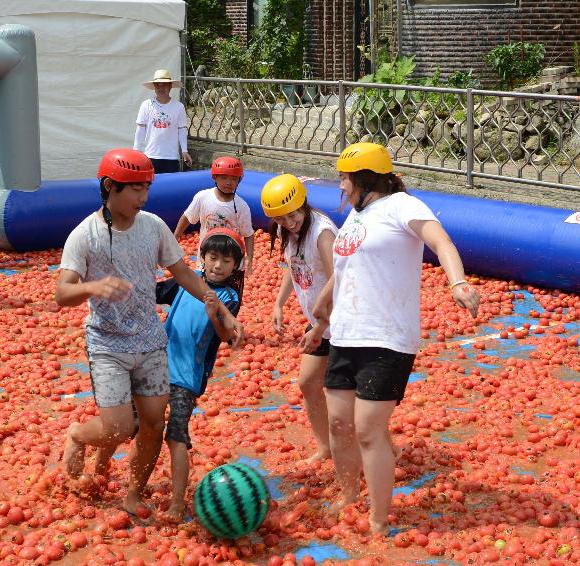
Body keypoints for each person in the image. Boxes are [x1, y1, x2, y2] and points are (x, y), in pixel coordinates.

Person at [55, 148, 243, 515]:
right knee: (119, 427)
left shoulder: (154, 227)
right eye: (135, 189)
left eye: (146, 188)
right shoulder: (85, 235)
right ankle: (78, 435)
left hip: (151, 342)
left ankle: (133, 494)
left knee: (154, 425)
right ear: (110, 187)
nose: (143, 197)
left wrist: (221, 309)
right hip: (107, 344)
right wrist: (92, 288)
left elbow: (185, 274)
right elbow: (62, 293)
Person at [313, 143, 480, 534]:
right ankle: (349, 494)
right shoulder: (356, 217)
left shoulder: (403, 205)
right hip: (345, 334)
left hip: (386, 337)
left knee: (369, 430)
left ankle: (378, 517)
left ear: (364, 179)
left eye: (344, 178)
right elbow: (345, 267)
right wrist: (322, 312)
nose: (341, 185)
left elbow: (442, 242)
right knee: (339, 425)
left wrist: (456, 282)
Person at [155, 227, 244, 522]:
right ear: (202, 257)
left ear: (235, 266)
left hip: (187, 376)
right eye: (213, 257)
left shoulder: (229, 296)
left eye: (226, 261)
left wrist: (212, 315)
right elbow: (155, 292)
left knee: (176, 435)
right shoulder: (187, 281)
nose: (218, 265)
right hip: (155, 366)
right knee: (140, 427)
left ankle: (177, 502)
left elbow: (224, 336)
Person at [262, 174, 337, 463]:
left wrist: (319, 326)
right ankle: (325, 447)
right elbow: (295, 266)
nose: (288, 222)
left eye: (292, 215)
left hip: (341, 321)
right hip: (322, 321)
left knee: (348, 395)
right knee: (308, 384)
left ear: (302, 203)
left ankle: (381, 447)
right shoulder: (288, 232)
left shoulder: (322, 232)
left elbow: (339, 279)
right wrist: (279, 304)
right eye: (280, 219)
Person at [173, 156, 255, 277]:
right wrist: (174, 238)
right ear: (214, 177)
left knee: (229, 291)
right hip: (207, 257)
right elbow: (187, 217)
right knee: (204, 290)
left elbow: (248, 234)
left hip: (231, 260)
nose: (229, 182)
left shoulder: (242, 206)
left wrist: (249, 258)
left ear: (239, 180)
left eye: (234, 179)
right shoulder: (203, 197)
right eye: (224, 178)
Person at [133, 69, 192, 174]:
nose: (161, 88)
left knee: (170, 187)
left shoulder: (179, 107)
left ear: (170, 86)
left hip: (171, 157)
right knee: (150, 187)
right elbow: (140, 128)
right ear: (154, 87)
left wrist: (184, 150)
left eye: (164, 85)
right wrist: (136, 150)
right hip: (150, 155)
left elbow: (182, 129)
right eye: (158, 85)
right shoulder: (146, 105)